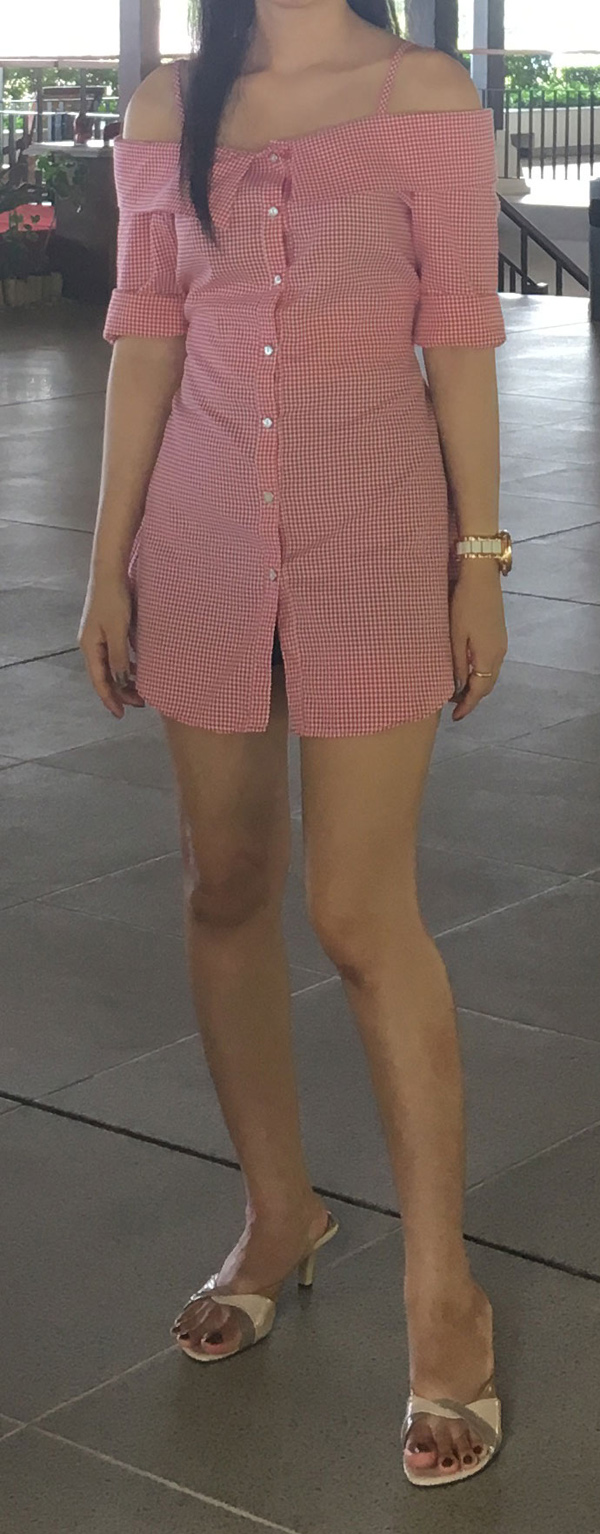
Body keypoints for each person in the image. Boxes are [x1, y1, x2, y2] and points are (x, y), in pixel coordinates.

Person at [79, 0, 511, 1490]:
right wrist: (108, 562)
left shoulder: (423, 92)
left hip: (372, 539)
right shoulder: (167, 107)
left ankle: (445, 1295)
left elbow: (459, 331)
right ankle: (279, 1213)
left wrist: (479, 559)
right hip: (200, 543)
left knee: (359, 913)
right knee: (224, 884)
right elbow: (145, 334)